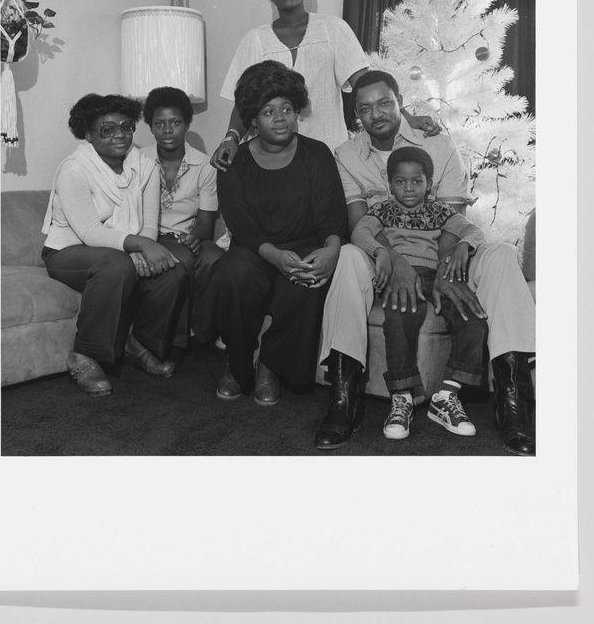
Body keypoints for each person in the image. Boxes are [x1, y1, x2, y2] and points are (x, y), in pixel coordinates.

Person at [320, 69, 536, 455]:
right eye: (365, 108)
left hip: (445, 253)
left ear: (400, 100)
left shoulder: (437, 143)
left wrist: (445, 271)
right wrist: (395, 260)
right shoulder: (347, 156)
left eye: (385, 102)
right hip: (383, 255)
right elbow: (360, 226)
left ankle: (512, 397)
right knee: (351, 257)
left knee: (502, 254)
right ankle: (343, 396)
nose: (377, 113)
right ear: (357, 115)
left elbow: (453, 220)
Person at [210, 0, 438, 168]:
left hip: (329, 154)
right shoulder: (255, 39)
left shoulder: (333, 29)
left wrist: (406, 116)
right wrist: (230, 137)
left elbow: (366, 85)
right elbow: (244, 103)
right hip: (274, 158)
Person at [210, 60, 348, 409]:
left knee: (305, 284)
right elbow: (239, 224)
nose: (280, 117)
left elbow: (332, 216)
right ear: (252, 119)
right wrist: (272, 255)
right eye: (268, 111)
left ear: (297, 111)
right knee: (232, 275)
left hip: (304, 245)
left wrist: (332, 251)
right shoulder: (233, 161)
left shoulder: (317, 154)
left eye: (286, 108)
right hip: (254, 247)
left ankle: (269, 365)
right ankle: (238, 363)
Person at [41, 93, 190, 396]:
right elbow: (89, 231)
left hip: (120, 249)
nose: (119, 135)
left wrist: (145, 250)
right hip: (68, 251)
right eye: (106, 130)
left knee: (173, 268)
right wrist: (138, 247)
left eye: (125, 126)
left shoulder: (145, 165)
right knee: (116, 264)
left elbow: (149, 223)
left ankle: (142, 344)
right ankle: (83, 355)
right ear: (88, 134)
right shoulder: (75, 169)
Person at [352, 146, 488, 439]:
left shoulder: (439, 210)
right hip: (401, 279)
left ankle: (446, 396)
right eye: (400, 181)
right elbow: (359, 232)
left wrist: (464, 245)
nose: (409, 188)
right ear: (390, 184)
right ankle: (401, 398)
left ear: (430, 184)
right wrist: (379, 250)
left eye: (417, 181)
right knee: (401, 318)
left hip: (439, 277)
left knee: (472, 317)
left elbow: (474, 231)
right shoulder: (382, 210)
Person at [141, 86, 224, 360]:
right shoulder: (137, 160)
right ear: (150, 127)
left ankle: (202, 334)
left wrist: (196, 237)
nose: (168, 130)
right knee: (181, 260)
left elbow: (206, 221)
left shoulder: (205, 165)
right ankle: (171, 344)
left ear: (187, 124)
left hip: (187, 236)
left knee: (215, 257)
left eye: (175, 122)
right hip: (149, 237)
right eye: (159, 124)